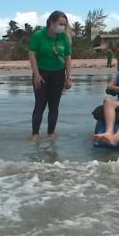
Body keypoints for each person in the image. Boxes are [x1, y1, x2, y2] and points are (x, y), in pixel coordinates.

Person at [28, 10, 73, 141]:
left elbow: (68, 57)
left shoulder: (64, 37)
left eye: (64, 24)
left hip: (58, 74)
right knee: (40, 104)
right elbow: (32, 55)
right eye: (60, 24)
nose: (62, 27)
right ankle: (35, 134)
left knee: (54, 105)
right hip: (41, 73)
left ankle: (51, 133)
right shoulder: (38, 35)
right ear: (51, 22)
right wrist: (36, 75)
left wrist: (68, 77)